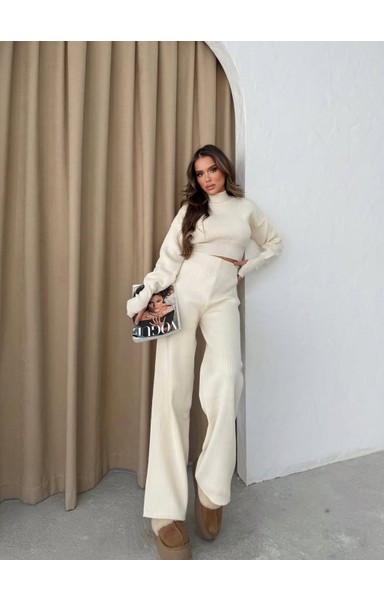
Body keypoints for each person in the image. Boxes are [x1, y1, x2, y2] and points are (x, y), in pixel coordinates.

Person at [126, 144, 282, 559]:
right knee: (172, 394)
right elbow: (168, 260)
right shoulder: (190, 211)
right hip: (183, 292)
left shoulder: (246, 210)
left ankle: (211, 489)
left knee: (228, 380)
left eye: (212, 169)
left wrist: (246, 267)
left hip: (223, 299)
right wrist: (146, 293)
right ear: (194, 179)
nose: (207, 178)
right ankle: (165, 513)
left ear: (224, 170)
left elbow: (273, 243)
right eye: (200, 173)